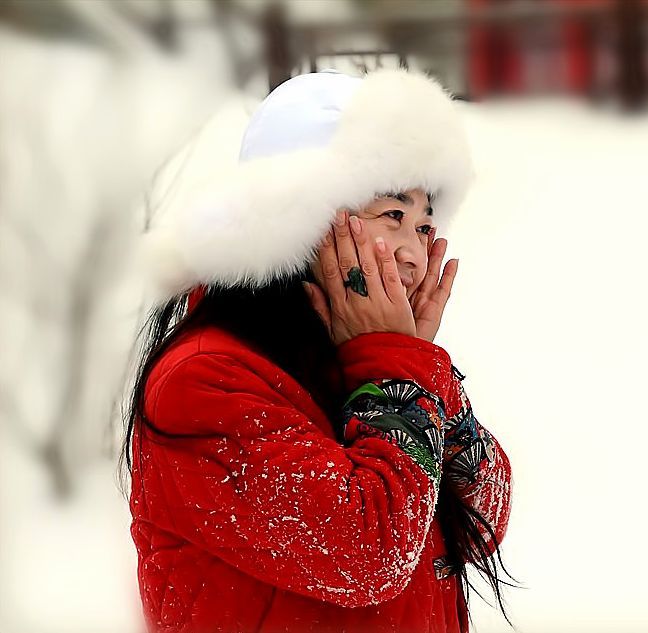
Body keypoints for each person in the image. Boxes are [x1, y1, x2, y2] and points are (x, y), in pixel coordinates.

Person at [119, 68, 518, 633]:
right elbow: (370, 554)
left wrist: (415, 371)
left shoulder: (361, 363)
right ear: (301, 221)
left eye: (426, 227)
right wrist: (398, 368)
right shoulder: (203, 383)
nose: (414, 254)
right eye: (394, 216)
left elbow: (484, 517)